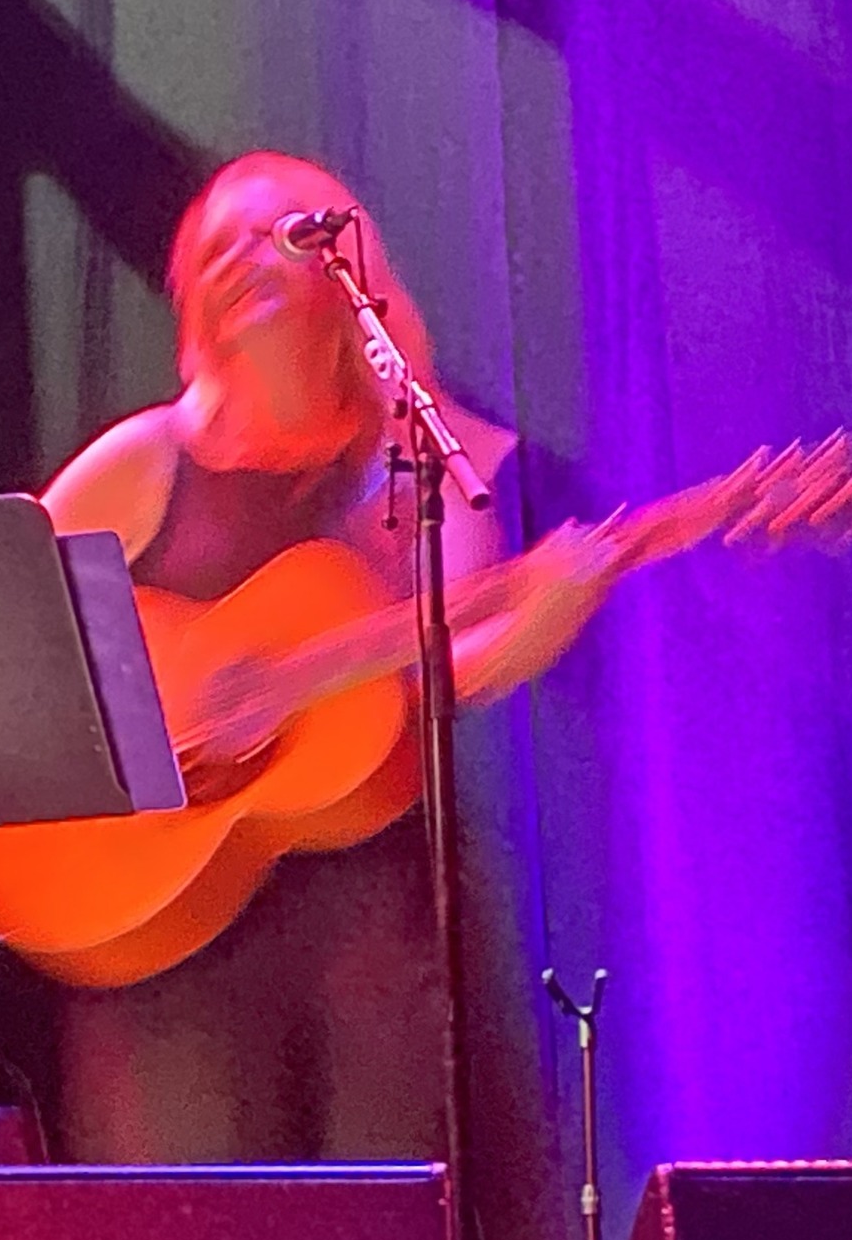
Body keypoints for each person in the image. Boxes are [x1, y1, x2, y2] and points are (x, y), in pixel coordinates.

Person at [33, 151, 619, 1167]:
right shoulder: (146, 459)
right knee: (191, 1238)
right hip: (161, 926)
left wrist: (540, 623)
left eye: (278, 233)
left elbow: (446, 662)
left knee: (377, 1228)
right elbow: (10, 623)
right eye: (216, 248)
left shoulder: (422, 453)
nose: (244, 258)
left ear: (346, 264)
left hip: (374, 927)